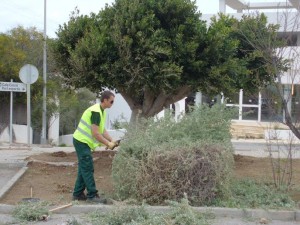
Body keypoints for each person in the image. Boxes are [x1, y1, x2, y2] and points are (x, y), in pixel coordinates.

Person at [72, 90, 117, 203]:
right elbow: (96, 133)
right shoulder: (96, 111)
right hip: (81, 141)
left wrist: (111, 140)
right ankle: (92, 195)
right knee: (87, 167)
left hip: (82, 142)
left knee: (83, 168)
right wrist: (108, 144)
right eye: (111, 101)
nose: (112, 104)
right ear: (105, 100)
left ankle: (77, 194)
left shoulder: (101, 111)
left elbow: (102, 130)